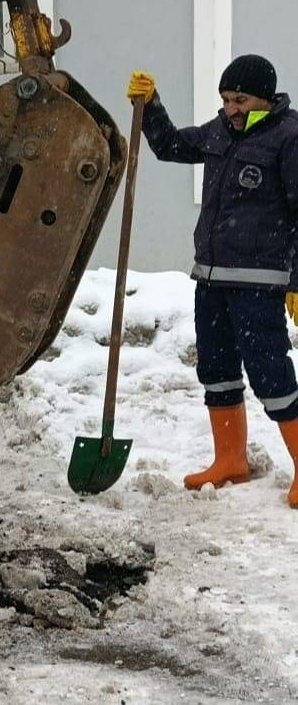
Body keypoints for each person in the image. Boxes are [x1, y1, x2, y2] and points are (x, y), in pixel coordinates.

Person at [129, 56, 298, 507]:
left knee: (271, 374)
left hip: (260, 282)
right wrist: (151, 106)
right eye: (225, 99)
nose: (230, 109)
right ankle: (230, 460)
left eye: (239, 100)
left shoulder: (288, 137)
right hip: (211, 278)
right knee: (217, 370)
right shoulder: (220, 131)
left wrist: (297, 282)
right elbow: (171, 146)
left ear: (265, 97)